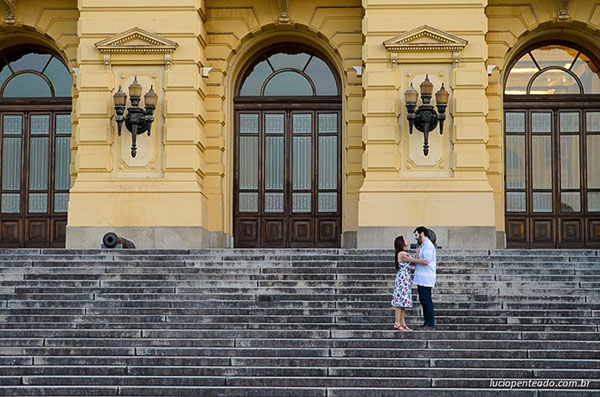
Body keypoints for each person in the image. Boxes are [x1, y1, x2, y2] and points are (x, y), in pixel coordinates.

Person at [411, 226, 437, 330]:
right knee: (423, 299)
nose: (416, 238)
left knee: (426, 300)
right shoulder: (423, 245)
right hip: (421, 278)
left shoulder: (428, 246)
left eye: (417, 235)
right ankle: (427, 322)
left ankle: (430, 323)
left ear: (422, 233)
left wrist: (412, 260)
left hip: (426, 278)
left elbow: (426, 261)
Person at [391, 235, 414, 331]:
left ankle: (403, 322)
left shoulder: (403, 253)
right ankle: (397, 322)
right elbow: (412, 260)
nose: (406, 240)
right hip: (402, 279)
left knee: (403, 302)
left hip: (405, 278)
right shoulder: (402, 253)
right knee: (400, 301)